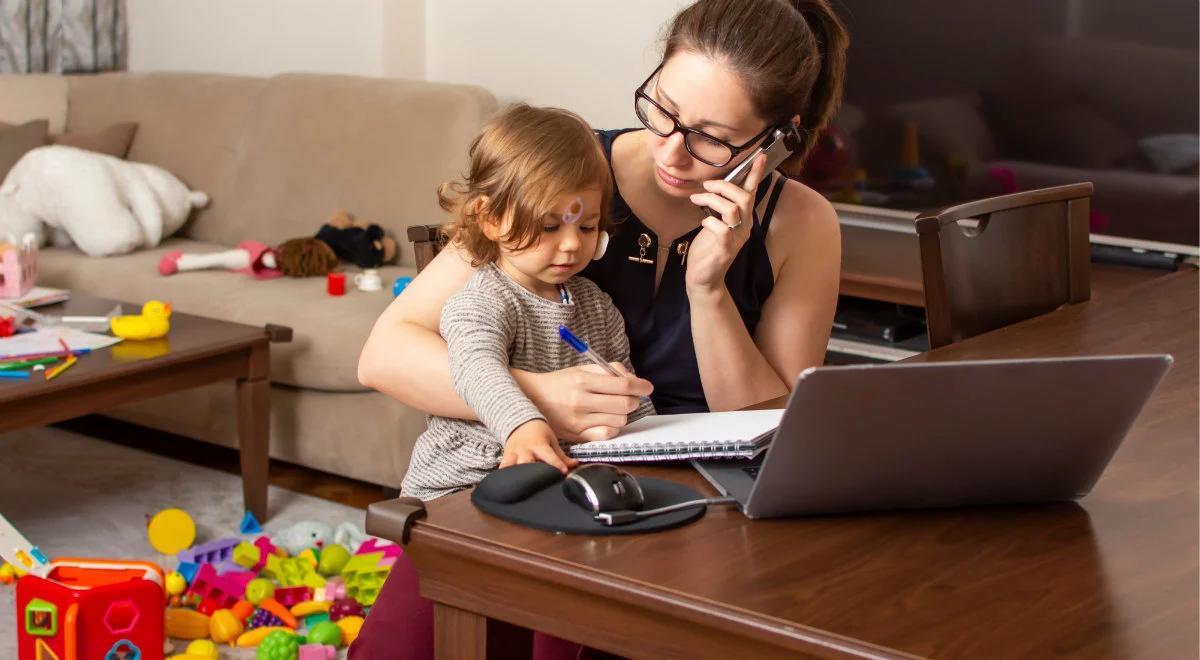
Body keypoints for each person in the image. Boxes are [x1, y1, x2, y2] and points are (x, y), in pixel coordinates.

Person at [353, 0, 848, 657]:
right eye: (663, 109)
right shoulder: (567, 174)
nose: (673, 150)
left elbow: (768, 427)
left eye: (711, 138)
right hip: (528, 466)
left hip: (689, 506)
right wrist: (541, 401)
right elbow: (385, 354)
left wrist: (707, 288)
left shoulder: (801, 225)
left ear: (774, 139)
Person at [400, 103, 655, 502]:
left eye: (587, 226)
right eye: (549, 226)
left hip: (553, 476)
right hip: (463, 482)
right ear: (490, 219)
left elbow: (625, 402)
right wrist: (522, 424)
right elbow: (474, 369)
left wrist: (652, 442)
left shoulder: (597, 306)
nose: (572, 243)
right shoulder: (483, 298)